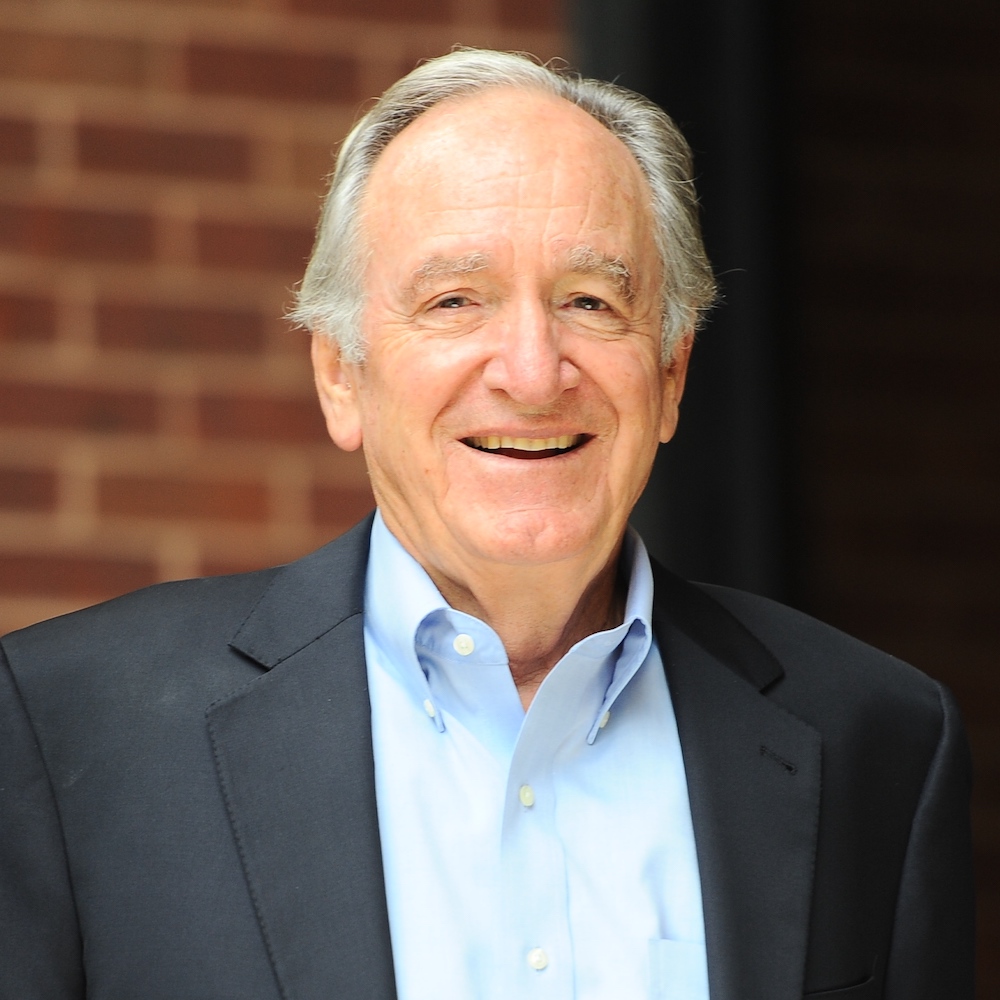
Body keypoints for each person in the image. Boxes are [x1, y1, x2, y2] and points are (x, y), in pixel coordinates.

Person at [0, 49, 973, 1000]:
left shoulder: (875, 741)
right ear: (341, 373)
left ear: (670, 372)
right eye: (454, 300)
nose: (531, 371)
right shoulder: (66, 732)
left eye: (589, 301)